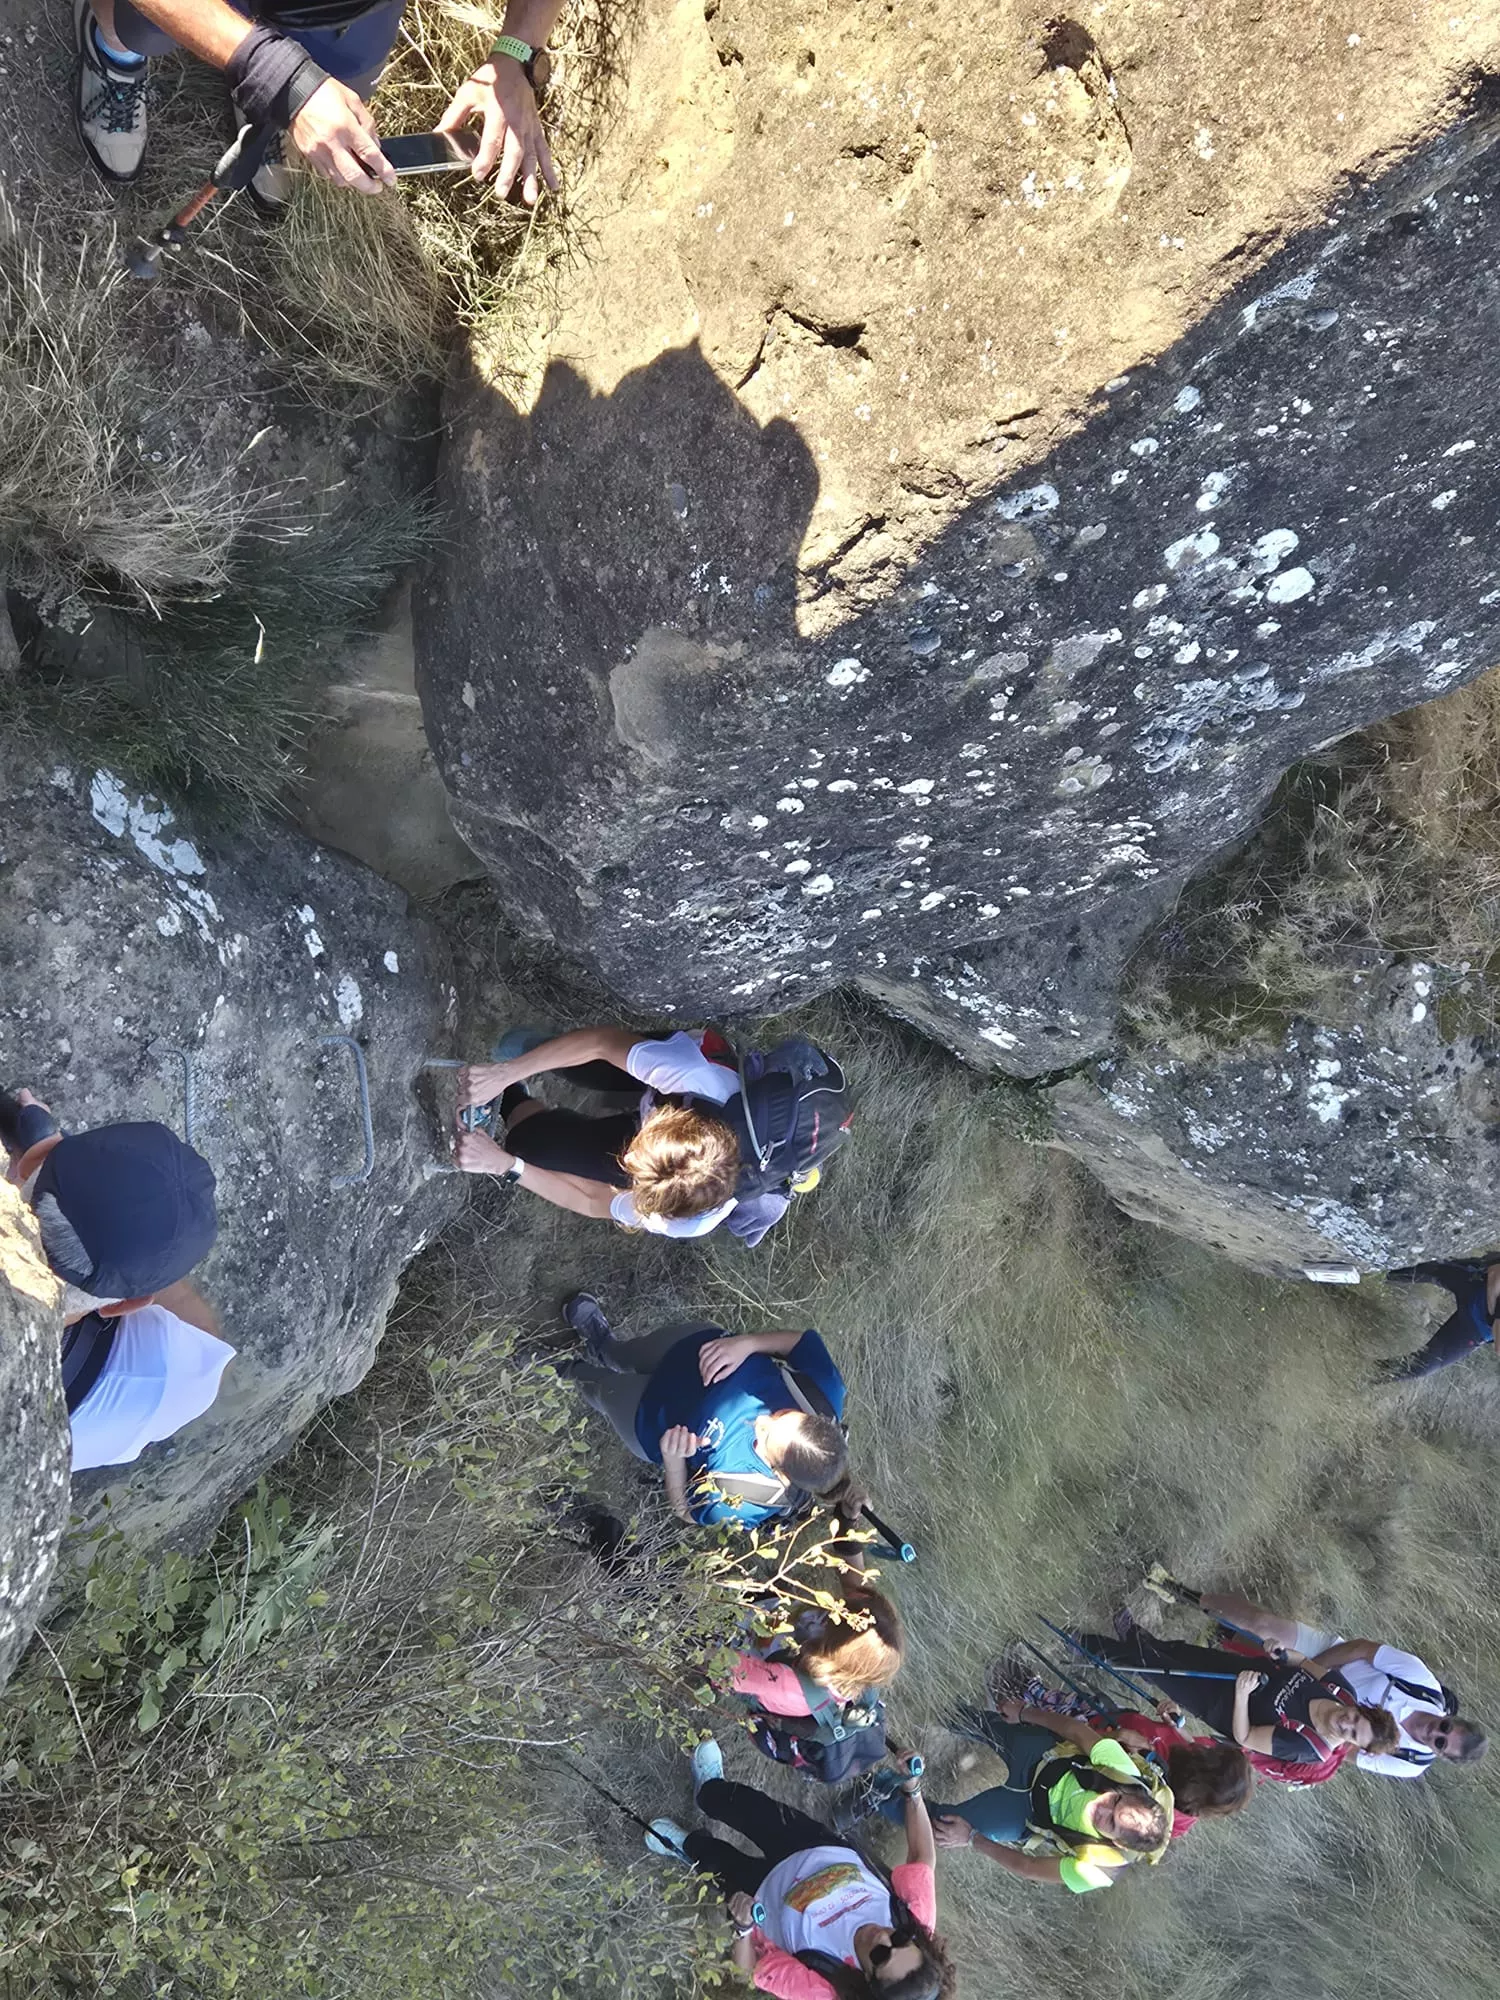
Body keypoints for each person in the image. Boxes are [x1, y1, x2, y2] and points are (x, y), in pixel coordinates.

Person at [72, 0, 563, 214]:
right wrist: (278, 75)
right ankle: (113, 49)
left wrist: (516, 53)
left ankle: (266, 107)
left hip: (353, 10)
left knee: (333, 80)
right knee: (140, 26)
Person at [2, 1086, 233, 1470]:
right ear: (126, 1307)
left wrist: (46, 1152)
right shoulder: (168, 1383)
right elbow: (204, 1340)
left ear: (26, 1165)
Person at [455, 1024, 849, 1246]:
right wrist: (507, 1071)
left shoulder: (691, 1217)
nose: (623, 1162)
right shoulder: (696, 1077)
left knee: (528, 1144)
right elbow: (600, 1042)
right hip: (687, 1083)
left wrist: (507, 1165)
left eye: (632, 1170)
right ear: (664, 1124)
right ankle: (529, 1061)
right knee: (527, 1048)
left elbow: (594, 1200)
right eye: (634, 1159)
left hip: (681, 1123)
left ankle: (514, 1100)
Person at [647, 1739, 953, 1999]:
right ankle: (709, 1790)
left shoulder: (828, 1989)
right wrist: (912, 1791)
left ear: (868, 1982)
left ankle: (687, 1845)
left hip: (762, 1898)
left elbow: (748, 1970)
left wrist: (742, 1929)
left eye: (880, 1956)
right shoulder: (916, 1921)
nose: (884, 1939)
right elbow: (922, 1858)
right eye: (900, 1940)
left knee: (713, 1858)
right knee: (741, 1804)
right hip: (814, 1847)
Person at [556, 1296, 858, 1529]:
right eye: (782, 1415)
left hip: (648, 1420)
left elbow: (687, 1511)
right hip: (688, 1351)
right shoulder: (824, 1394)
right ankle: (605, 1346)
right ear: (815, 1419)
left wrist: (674, 1462)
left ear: (782, 1473)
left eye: (766, 1438)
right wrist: (748, 1343)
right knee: (630, 1354)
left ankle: (567, 1369)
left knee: (601, 1389)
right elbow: (798, 1343)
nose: (763, 1420)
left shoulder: (751, 1497)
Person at [1148, 1575, 1488, 1778]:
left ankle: (1208, 1644)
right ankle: (1185, 1593)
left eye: (1441, 1744)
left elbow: (1351, 1754)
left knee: (1237, 1701)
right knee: (1264, 1624)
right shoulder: (1423, 1686)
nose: (1435, 1733)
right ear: (1451, 1717)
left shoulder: (1410, 1763)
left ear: (1441, 1755)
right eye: (1446, 1726)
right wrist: (1312, 1671)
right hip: (1328, 1660)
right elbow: (1362, 1649)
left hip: (1314, 1716)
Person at [888, 1697, 1174, 1892]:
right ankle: (941, 1710)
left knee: (941, 1827)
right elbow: (1075, 1731)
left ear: (1117, 1841)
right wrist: (1024, 1713)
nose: (1102, 1807)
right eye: (1114, 1801)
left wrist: (972, 1837)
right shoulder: (1124, 1773)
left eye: (1110, 1823)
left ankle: (878, 1792)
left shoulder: (1101, 1869)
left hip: (1028, 1813)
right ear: (1126, 1793)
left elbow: (1028, 1866)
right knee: (990, 1727)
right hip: (1044, 1758)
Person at [1078, 1622, 1402, 1773]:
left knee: (1156, 1670)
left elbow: (1244, 1736)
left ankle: (1084, 1643)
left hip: (1220, 1703)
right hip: (1243, 1669)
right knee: (1178, 1652)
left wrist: (1243, 1696)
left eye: (1353, 1733)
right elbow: (1304, 1663)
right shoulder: (1343, 1691)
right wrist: (1280, 1652)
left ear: (1356, 1745)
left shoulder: (1310, 1747)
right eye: (1357, 1717)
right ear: (1361, 1708)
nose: (1347, 1722)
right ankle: (1135, 1636)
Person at [1380, 1257, 1500, 1381]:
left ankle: (1367, 1372)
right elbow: (1495, 1271)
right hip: (1474, 1281)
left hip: (1476, 1328)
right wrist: (1493, 1314)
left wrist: (1493, 1316)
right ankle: (1373, 1274)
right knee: (1419, 1269)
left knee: (1422, 1366)